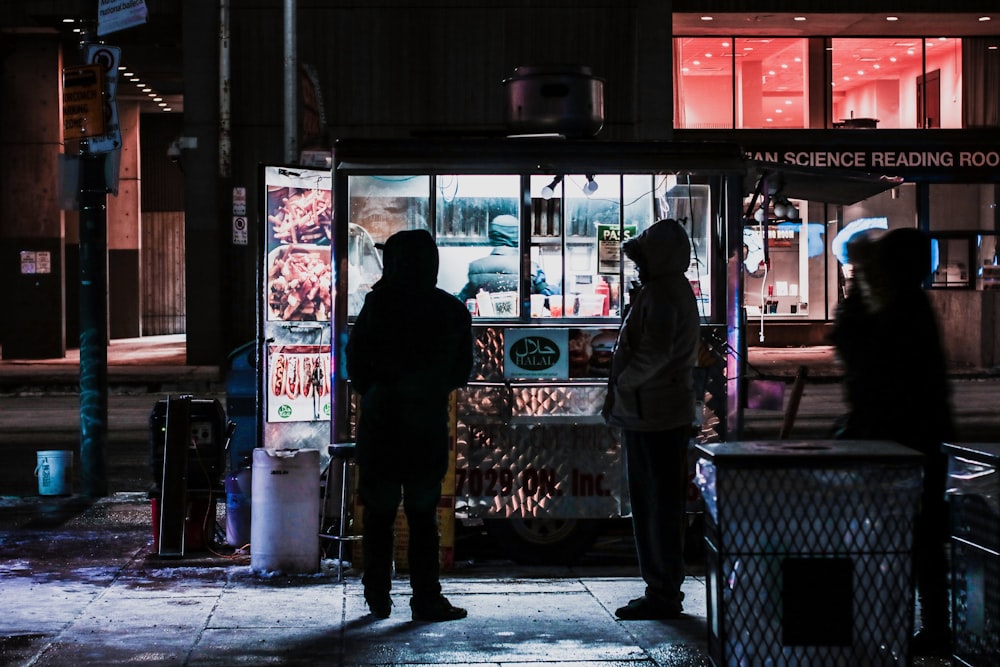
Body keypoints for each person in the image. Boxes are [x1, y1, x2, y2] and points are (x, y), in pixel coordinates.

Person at [829, 227, 954, 656]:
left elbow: (855, 350)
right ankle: (930, 624)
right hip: (922, 437)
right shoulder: (908, 304)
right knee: (924, 536)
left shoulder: (884, 305)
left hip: (886, 438)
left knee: (886, 534)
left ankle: (885, 619)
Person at [345, 229, 474, 622]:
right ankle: (426, 599)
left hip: (382, 425)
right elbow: (461, 371)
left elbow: (355, 362)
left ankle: (377, 596)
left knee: (380, 515)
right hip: (424, 427)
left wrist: (378, 392)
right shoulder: (451, 310)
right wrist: (428, 389)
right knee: (422, 516)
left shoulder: (377, 305)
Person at [602, 218, 700, 620]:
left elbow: (654, 354)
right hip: (660, 412)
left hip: (653, 413)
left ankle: (661, 591)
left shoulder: (661, 293)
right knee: (661, 504)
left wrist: (624, 385)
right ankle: (662, 587)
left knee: (654, 505)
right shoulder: (671, 289)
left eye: (643, 256)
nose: (638, 264)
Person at [457, 214, 552, 302]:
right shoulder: (532, 268)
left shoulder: (475, 268)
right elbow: (549, 298)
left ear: (492, 236)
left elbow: (461, 301)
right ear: (518, 236)